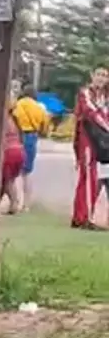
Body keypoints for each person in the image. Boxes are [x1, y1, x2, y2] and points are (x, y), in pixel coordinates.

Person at [72, 67, 109, 230]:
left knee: (92, 177)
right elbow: (90, 112)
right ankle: (84, 218)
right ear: (92, 76)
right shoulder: (85, 93)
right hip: (87, 140)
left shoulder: (104, 97)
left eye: (105, 76)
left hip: (99, 142)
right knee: (88, 177)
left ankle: (81, 216)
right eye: (99, 74)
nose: (101, 78)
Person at [12, 85, 51, 211]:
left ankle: (15, 201)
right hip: (32, 136)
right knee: (27, 172)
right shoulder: (39, 107)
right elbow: (45, 126)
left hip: (18, 136)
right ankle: (26, 204)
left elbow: (14, 118)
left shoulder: (18, 104)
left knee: (14, 172)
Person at [1, 101, 26, 215]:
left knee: (7, 181)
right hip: (19, 150)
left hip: (9, 151)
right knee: (7, 180)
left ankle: (14, 204)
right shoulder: (14, 119)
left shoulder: (3, 120)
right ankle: (8, 204)